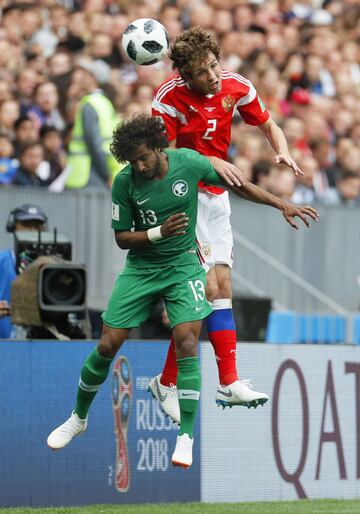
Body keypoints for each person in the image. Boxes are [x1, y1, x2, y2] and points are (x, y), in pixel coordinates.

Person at [47, 114, 318, 468]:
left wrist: (281, 203)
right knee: (107, 344)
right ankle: (78, 419)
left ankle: (186, 437)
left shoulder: (188, 163)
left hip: (182, 266)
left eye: (144, 156)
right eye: (134, 161)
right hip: (141, 269)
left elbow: (237, 185)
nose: (140, 165)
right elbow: (121, 238)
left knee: (188, 340)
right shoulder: (125, 182)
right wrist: (159, 232)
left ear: (160, 147)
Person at [150, 27, 305, 422]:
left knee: (222, 287)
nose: (213, 77)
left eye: (215, 66)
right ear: (185, 75)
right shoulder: (168, 99)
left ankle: (222, 381)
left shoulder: (236, 86)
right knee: (202, 289)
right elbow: (160, 157)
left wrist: (282, 151)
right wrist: (207, 161)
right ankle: (181, 381)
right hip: (184, 198)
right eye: (203, 72)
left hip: (217, 199)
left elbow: (269, 124)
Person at [65, 59, 120, 189]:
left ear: (92, 78)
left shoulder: (89, 104)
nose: (81, 78)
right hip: (104, 170)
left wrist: (105, 174)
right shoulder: (106, 103)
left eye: (85, 74)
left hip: (88, 174)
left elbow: (94, 143)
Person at [0, 204, 47, 338]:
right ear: (13, 227)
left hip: (39, 345)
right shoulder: (1, 260)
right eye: (26, 225)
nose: (32, 230)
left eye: (37, 226)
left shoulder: (50, 267)